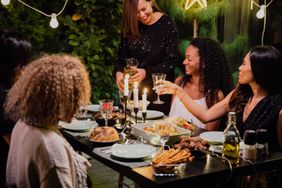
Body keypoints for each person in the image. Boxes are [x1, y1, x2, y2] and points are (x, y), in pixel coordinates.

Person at [157, 46, 282, 152]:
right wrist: (178, 91)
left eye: (244, 64)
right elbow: (206, 116)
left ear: (258, 69)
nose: (239, 68)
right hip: (234, 166)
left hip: (262, 177)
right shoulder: (240, 94)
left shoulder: (276, 106)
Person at [4, 54, 91, 187]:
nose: (79, 103)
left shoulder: (22, 124)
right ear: (58, 99)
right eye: (74, 96)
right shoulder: (52, 150)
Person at [113, 0, 180, 115]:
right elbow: (120, 59)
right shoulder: (130, 26)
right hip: (134, 94)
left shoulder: (167, 24)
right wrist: (118, 74)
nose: (142, 16)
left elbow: (172, 62)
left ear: (151, 2)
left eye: (143, 9)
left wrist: (146, 72)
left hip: (158, 94)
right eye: (136, 13)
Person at [168, 38, 233, 135]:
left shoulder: (214, 95)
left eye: (189, 59)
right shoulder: (179, 82)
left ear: (204, 63)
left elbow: (208, 136)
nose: (184, 62)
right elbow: (170, 118)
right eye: (185, 58)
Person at [0, 29, 32, 187]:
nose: (25, 69)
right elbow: (14, 143)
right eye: (23, 63)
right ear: (10, 63)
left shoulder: (9, 89)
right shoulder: (4, 97)